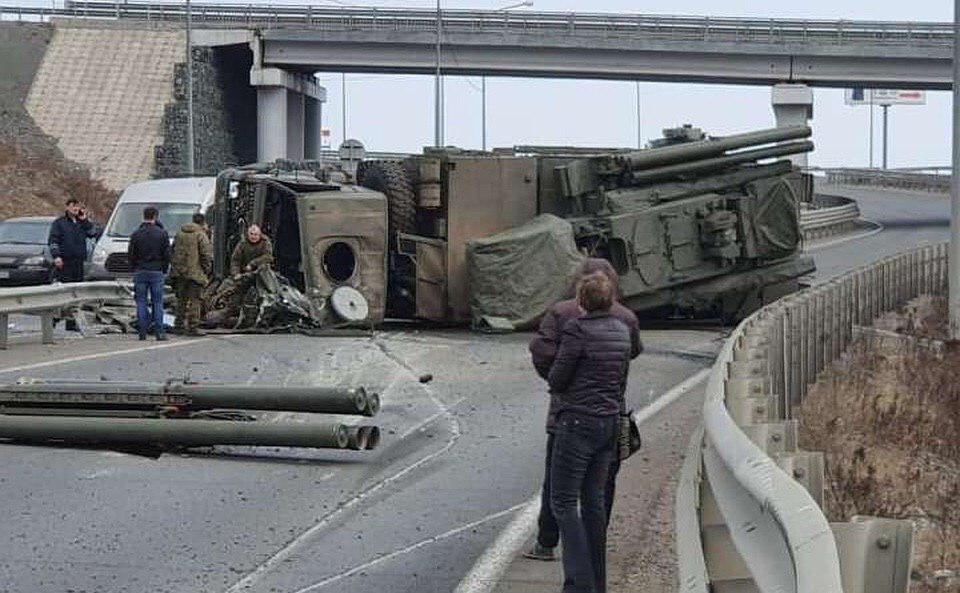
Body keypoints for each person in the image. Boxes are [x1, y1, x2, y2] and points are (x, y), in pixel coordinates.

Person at [527, 259, 642, 563]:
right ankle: (595, 544)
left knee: (557, 482)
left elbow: (542, 351)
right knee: (601, 485)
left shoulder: (560, 313)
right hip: (610, 410)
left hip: (568, 412)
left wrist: (559, 384)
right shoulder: (626, 319)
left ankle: (547, 542)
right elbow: (632, 352)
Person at [547, 272, 632, 593]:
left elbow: (557, 378)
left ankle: (578, 585)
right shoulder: (622, 331)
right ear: (610, 300)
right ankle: (598, 582)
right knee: (594, 501)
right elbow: (622, 378)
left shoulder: (577, 330)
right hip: (608, 421)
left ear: (581, 301)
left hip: (577, 423)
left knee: (564, 502)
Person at [47, 199, 98, 330]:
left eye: (77, 206)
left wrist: (85, 220)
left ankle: (71, 322)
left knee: (76, 293)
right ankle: (54, 318)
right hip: (65, 262)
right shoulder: (60, 223)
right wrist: (56, 256)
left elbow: (93, 233)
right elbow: (53, 240)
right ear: (67, 207)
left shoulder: (82, 223)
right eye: (73, 206)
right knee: (63, 292)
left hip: (78, 262)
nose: (75, 208)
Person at [128, 206, 170, 341]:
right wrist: (163, 269)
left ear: (143, 216)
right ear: (155, 217)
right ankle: (159, 332)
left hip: (140, 271)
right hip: (156, 271)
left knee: (141, 302)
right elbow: (167, 255)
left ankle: (142, 332)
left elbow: (131, 255)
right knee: (157, 302)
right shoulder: (162, 233)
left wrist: (135, 267)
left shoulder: (136, 234)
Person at [170, 212, 212, 336]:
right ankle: (193, 327)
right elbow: (206, 255)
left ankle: (178, 325)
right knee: (195, 300)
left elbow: (172, 251)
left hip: (179, 273)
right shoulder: (201, 235)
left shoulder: (179, 233)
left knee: (181, 300)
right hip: (195, 273)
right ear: (203, 222)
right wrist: (206, 270)